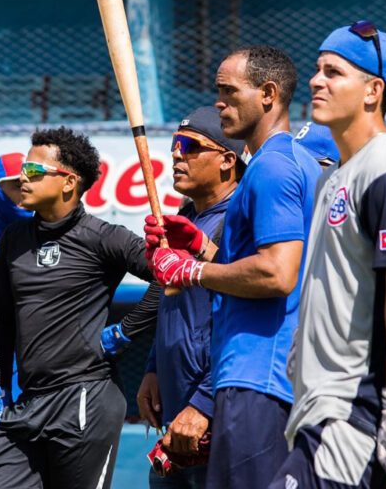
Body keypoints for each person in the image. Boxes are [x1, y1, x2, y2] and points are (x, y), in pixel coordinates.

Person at [148, 45, 322, 489]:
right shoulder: (294, 161)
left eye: (228, 92)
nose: (219, 103)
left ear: (267, 93)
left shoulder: (271, 167)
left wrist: (190, 271)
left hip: (258, 374)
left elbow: (277, 274)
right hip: (265, 374)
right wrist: (205, 250)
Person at [270, 22, 386, 489]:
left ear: (372, 90)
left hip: (352, 420)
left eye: (334, 72)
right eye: (318, 70)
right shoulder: (333, 176)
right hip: (317, 411)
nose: (317, 81)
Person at [0, 126, 161, 489]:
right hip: (25, 405)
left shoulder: (103, 237)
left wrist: (124, 333)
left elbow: (169, 277)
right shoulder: (13, 240)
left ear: (68, 182)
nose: (23, 180)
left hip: (85, 400)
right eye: (22, 173)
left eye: (33, 172)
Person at [139, 106, 246, 488]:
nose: (176, 154)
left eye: (189, 145)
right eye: (173, 145)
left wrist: (203, 403)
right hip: (177, 418)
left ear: (226, 160)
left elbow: (245, 324)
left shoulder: (239, 219)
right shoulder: (188, 218)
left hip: (215, 418)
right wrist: (152, 366)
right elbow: (174, 302)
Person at [0, 152, 31, 489]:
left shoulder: (43, 247)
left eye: (27, 184)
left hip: (28, 408)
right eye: (13, 187)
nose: (22, 195)